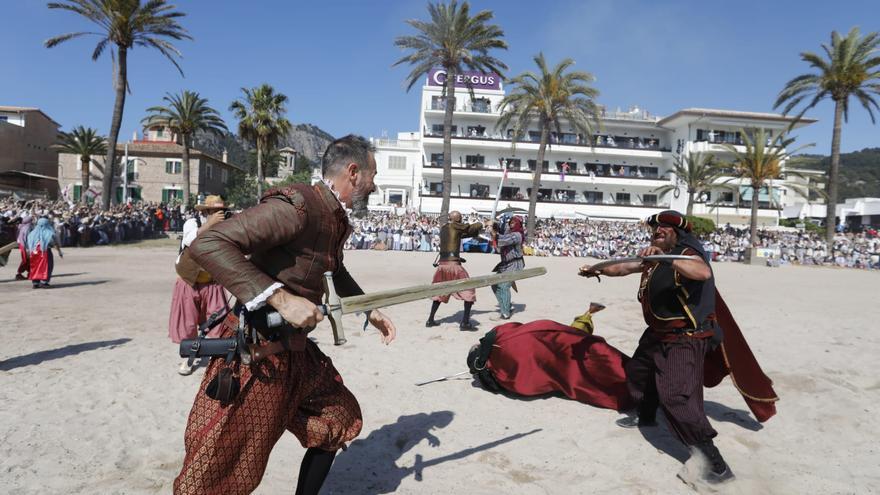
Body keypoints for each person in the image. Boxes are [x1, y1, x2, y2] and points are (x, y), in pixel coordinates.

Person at [174, 135, 398, 495]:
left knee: (337, 416)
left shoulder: (332, 215)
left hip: (296, 355)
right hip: (256, 356)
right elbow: (209, 244)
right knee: (220, 472)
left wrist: (366, 308)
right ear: (353, 173)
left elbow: (332, 267)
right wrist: (281, 299)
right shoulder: (298, 207)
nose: (375, 183)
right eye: (373, 174)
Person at [578, 210, 735, 484]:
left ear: (678, 234)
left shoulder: (688, 254)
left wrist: (666, 257)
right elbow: (624, 267)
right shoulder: (653, 258)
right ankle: (647, 415)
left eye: (664, 229)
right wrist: (597, 269)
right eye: (656, 229)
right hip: (658, 333)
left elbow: (702, 271)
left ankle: (716, 464)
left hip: (686, 337)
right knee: (640, 371)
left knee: (676, 396)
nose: (658, 231)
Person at [167, 195, 231, 376]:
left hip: (212, 281)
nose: (220, 214)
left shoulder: (224, 226)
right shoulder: (192, 222)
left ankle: (215, 356)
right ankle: (188, 358)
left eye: (222, 211)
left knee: (218, 319)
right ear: (205, 211)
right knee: (187, 322)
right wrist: (210, 224)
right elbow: (189, 241)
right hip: (189, 281)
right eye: (215, 211)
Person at [425, 211, 485, 330]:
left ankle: (430, 319)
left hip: (442, 265)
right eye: (461, 218)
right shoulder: (455, 225)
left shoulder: (444, 228)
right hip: (453, 266)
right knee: (469, 289)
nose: (462, 220)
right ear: (457, 219)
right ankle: (465, 323)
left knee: (439, 292)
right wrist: (482, 223)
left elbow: (459, 237)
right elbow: (470, 228)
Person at [489, 215, 525, 320]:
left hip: (515, 264)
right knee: (494, 284)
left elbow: (504, 240)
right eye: (511, 222)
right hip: (505, 264)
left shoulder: (518, 235)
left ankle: (505, 313)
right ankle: (508, 306)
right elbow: (500, 237)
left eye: (514, 222)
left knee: (504, 286)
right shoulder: (509, 232)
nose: (511, 224)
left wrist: (494, 233)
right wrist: (493, 226)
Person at [27, 217, 63, 288]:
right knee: (47, 266)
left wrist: (29, 253)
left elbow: (28, 244)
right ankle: (44, 282)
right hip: (45, 252)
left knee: (35, 267)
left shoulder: (32, 233)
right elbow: (54, 243)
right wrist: (59, 252)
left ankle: (35, 282)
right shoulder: (49, 233)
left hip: (34, 253)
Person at [15, 214, 32, 280]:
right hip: (25, 246)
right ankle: (19, 273)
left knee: (28, 260)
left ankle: (30, 273)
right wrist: (28, 248)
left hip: (22, 245)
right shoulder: (27, 228)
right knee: (26, 260)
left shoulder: (22, 226)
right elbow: (27, 239)